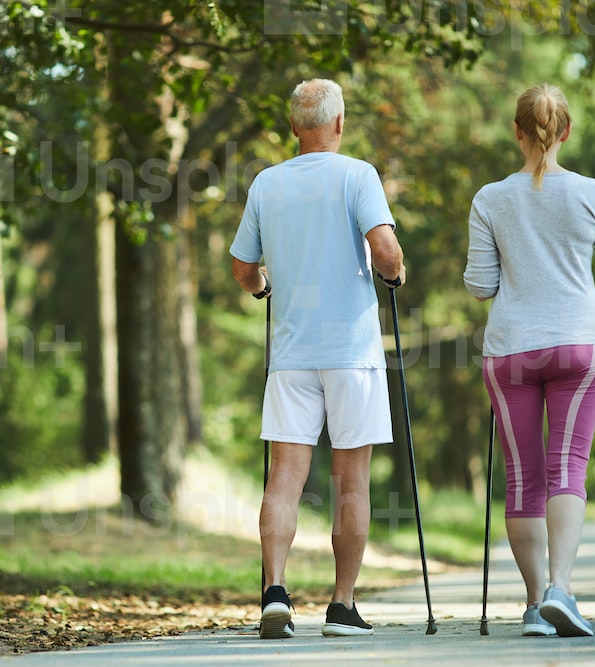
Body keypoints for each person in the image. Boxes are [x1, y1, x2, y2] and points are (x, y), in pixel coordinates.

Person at [230, 78, 406, 640]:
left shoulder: (266, 182)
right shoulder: (358, 175)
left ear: (293, 127)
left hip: (291, 352)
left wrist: (264, 290)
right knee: (351, 481)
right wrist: (396, 273)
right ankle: (342, 605)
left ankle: (275, 593)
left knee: (284, 477)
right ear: (338, 124)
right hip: (351, 353)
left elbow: (242, 269)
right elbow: (385, 250)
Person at [463, 83, 595, 638]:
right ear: (566, 131)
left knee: (523, 478)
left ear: (517, 132)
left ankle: (537, 603)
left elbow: (480, 286)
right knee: (568, 471)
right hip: (578, 348)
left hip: (511, 349)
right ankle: (563, 587)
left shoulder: (490, 198)